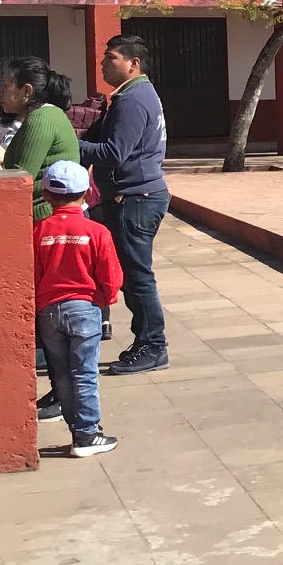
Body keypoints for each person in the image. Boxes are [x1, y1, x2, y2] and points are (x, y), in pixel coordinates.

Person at [79, 33, 171, 374]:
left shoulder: (132, 100)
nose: (104, 63)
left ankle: (153, 345)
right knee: (132, 276)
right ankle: (145, 341)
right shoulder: (131, 95)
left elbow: (114, 153)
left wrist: (71, 144)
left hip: (137, 198)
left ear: (133, 64)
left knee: (137, 276)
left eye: (111, 58)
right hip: (134, 197)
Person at [34, 160, 122, 457]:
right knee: (84, 374)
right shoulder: (97, 232)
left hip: (48, 310)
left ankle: (78, 431)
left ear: (46, 195)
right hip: (84, 308)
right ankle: (86, 435)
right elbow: (112, 276)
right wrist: (105, 299)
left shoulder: (39, 231)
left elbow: (32, 274)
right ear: (87, 192)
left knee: (62, 375)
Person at [0, 56, 80, 222]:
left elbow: (20, 179)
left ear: (27, 91)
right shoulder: (43, 115)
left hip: (45, 218)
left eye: (6, 85)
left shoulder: (41, 119)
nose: (0, 92)